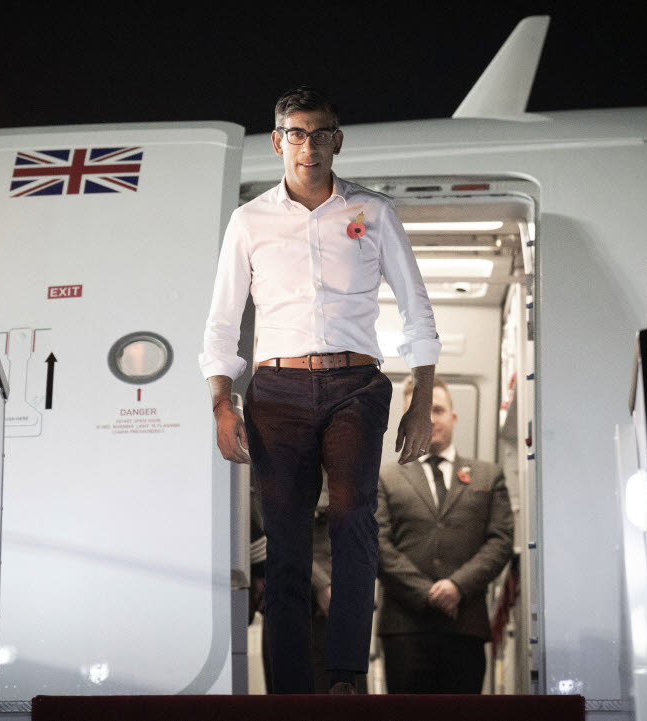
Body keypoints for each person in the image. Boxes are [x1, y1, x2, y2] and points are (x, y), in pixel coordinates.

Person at [199, 87, 440, 694]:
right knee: (284, 539)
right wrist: (221, 402)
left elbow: (417, 309)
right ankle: (288, 688)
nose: (309, 146)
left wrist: (420, 398)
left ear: (338, 140)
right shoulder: (249, 220)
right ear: (279, 141)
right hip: (276, 390)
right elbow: (224, 321)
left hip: (356, 386)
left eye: (321, 134)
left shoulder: (375, 212)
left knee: (354, 519)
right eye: (297, 135)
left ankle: (346, 676)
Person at [376, 376, 514, 694]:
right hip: (404, 630)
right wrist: (429, 593)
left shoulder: (488, 476)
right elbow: (377, 544)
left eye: (436, 409)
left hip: (464, 626)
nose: (429, 418)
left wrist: (456, 587)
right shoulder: (386, 478)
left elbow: (501, 540)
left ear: (452, 416)